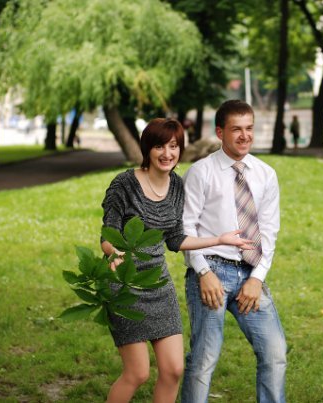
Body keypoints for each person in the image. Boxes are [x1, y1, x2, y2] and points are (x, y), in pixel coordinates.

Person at [100, 118, 252, 403]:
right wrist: (114, 252)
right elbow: (108, 234)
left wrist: (218, 239)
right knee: (137, 373)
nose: (167, 153)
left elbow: (175, 239)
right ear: (147, 149)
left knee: (173, 370)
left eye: (173, 146)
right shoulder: (125, 183)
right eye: (159, 146)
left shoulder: (177, 186)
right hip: (124, 285)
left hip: (158, 285)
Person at [181, 100, 287, 402]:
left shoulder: (266, 174)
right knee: (204, 359)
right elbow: (185, 229)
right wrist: (203, 273)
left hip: (250, 274)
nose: (245, 136)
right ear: (220, 132)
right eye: (236, 129)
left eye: (249, 128)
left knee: (275, 352)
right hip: (210, 271)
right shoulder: (201, 172)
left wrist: (257, 278)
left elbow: (268, 232)